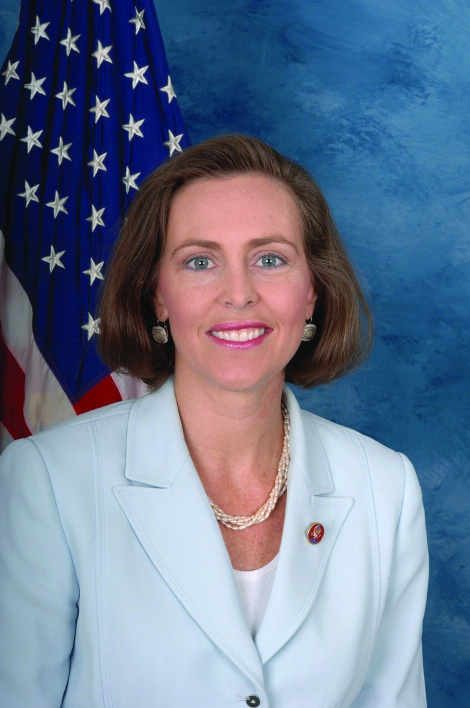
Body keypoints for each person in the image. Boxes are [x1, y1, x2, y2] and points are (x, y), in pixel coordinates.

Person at [0, 135, 428, 707]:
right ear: (157, 295)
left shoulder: (385, 488)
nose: (238, 294)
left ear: (312, 292)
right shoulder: (50, 481)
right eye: (200, 261)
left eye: (270, 259)